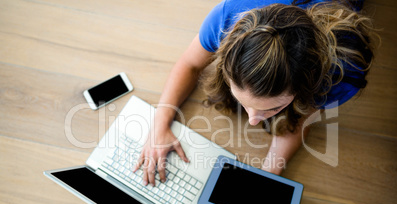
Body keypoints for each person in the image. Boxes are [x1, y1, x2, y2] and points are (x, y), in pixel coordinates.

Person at [134, 0, 378, 186]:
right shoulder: (228, 16)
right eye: (244, 101)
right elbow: (190, 64)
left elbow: (303, 115)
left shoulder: (342, 73)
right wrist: (159, 125)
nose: (252, 120)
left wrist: (270, 172)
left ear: (306, 86)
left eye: (272, 108)